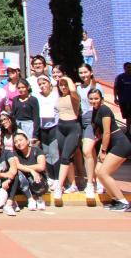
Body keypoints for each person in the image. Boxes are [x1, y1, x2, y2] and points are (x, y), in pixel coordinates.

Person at [89, 88, 131, 211]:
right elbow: (98, 129)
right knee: (98, 172)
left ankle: (123, 202)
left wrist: (103, 151)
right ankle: (115, 199)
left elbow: (107, 132)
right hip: (111, 144)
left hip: (120, 144)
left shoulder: (104, 109)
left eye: (96, 98)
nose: (93, 101)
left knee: (103, 173)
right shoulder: (95, 110)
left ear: (101, 99)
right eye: (91, 99)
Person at [53, 76, 81, 200]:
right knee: (66, 158)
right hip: (61, 127)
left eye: (65, 85)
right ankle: (73, 184)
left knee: (65, 157)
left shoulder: (74, 97)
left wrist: (66, 78)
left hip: (72, 127)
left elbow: (73, 90)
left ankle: (59, 186)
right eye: (61, 85)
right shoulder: (59, 98)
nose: (63, 87)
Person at [77, 64, 103, 198]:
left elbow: (101, 106)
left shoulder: (97, 87)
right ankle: (92, 181)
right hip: (82, 121)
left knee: (89, 151)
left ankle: (97, 181)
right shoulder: (78, 88)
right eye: (81, 73)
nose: (83, 75)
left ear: (91, 72)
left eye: (85, 72)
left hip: (94, 121)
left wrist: (99, 126)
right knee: (89, 153)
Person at [34, 75, 60, 187]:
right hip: (42, 128)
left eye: (44, 83)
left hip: (54, 126)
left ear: (49, 84)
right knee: (46, 153)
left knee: (54, 152)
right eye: (40, 84)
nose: (42, 86)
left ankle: (58, 178)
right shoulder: (37, 96)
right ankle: (50, 177)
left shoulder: (56, 95)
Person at [13, 131, 48, 211]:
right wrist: (31, 170)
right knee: (19, 174)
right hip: (24, 182)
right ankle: (30, 199)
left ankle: (39, 198)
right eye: (16, 142)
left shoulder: (37, 150)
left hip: (39, 180)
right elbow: (17, 165)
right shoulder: (15, 154)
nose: (18, 143)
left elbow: (42, 166)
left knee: (36, 175)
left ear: (27, 141)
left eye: (20, 140)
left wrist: (26, 167)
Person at [114, 62, 131, 136]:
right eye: (128, 67)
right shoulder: (120, 77)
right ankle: (128, 130)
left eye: (130, 67)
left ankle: (128, 130)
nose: (129, 69)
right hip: (124, 100)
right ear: (124, 68)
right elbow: (116, 88)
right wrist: (115, 98)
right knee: (127, 116)